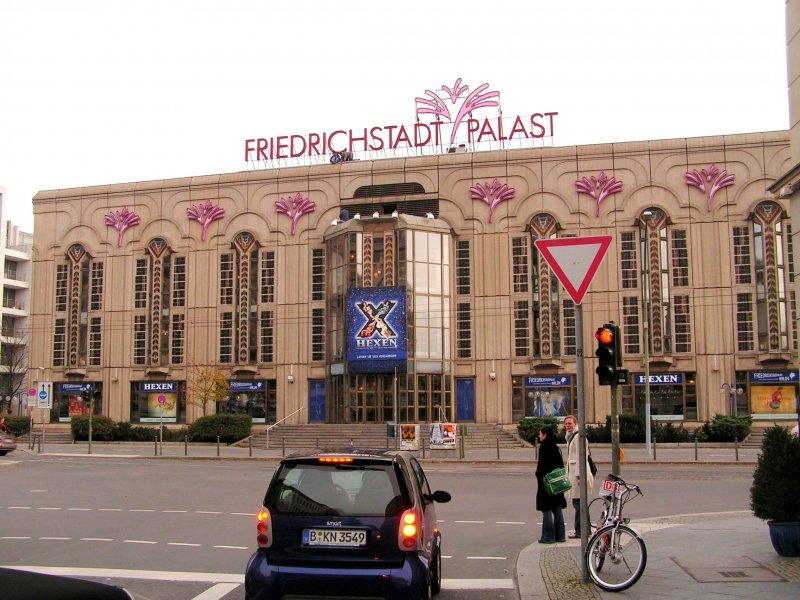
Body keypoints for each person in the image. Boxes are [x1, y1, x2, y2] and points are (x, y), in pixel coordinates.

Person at [534, 426, 567, 544]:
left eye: (540, 434)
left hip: (546, 482)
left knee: (546, 509)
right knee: (557, 508)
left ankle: (548, 537)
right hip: (557, 481)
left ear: (545, 435)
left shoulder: (544, 448)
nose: (539, 436)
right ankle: (561, 535)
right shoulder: (556, 447)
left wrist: (538, 475)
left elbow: (541, 466)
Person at [564, 414, 594, 538]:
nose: (567, 426)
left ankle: (581, 531)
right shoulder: (571, 436)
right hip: (575, 473)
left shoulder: (578, 436)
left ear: (575, 423)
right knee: (580, 503)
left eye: (569, 423)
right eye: (566, 424)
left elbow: (581, 456)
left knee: (579, 504)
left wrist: (579, 475)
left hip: (578, 474)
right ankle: (584, 530)